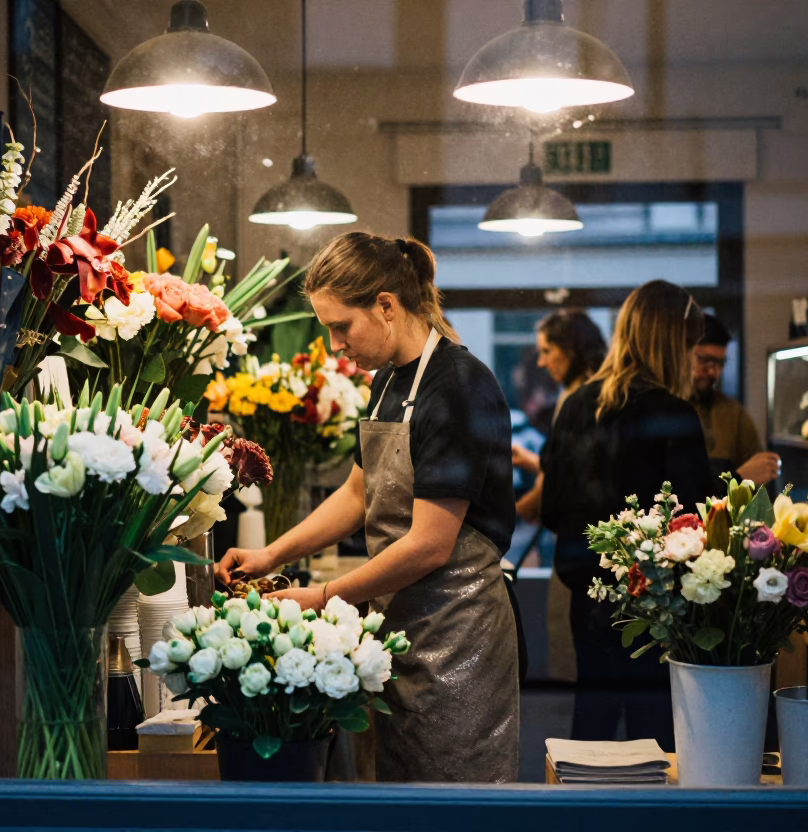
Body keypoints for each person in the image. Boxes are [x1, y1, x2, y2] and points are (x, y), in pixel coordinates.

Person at [216, 231, 520, 783]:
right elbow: (358, 494)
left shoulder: (457, 386)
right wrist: (270, 554)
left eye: (340, 327)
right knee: (401, 785)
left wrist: (327, 596)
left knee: (456, 791)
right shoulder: (387, 383)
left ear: (386, 306)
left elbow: (430, 542)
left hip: (459, 630)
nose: (335, 345)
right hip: (401, 618)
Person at [540, 280, 716, 751]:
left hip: (587, 594)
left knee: (590, 729)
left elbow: (552, 509)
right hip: (656, 602)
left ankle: (575, 820)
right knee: (656, 737)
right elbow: (694, 526)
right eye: (690, 345)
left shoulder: (578, 404)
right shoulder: (674, 413)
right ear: (674, 343)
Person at [512, 310, 607, 523]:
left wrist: (525, 506)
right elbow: (569, 464)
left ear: (570, 350)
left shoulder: (586, 399)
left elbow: (576, 475)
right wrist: (530, 461)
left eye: (547, 351)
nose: (541, 363)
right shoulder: (573, 391)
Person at [693, 314, 780, 485]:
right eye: (704, 360)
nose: (713, 372)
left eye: (719, 363)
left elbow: (759, 475)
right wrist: (739, 477)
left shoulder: (732, 412)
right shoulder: (664, 411)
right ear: (682, 354)